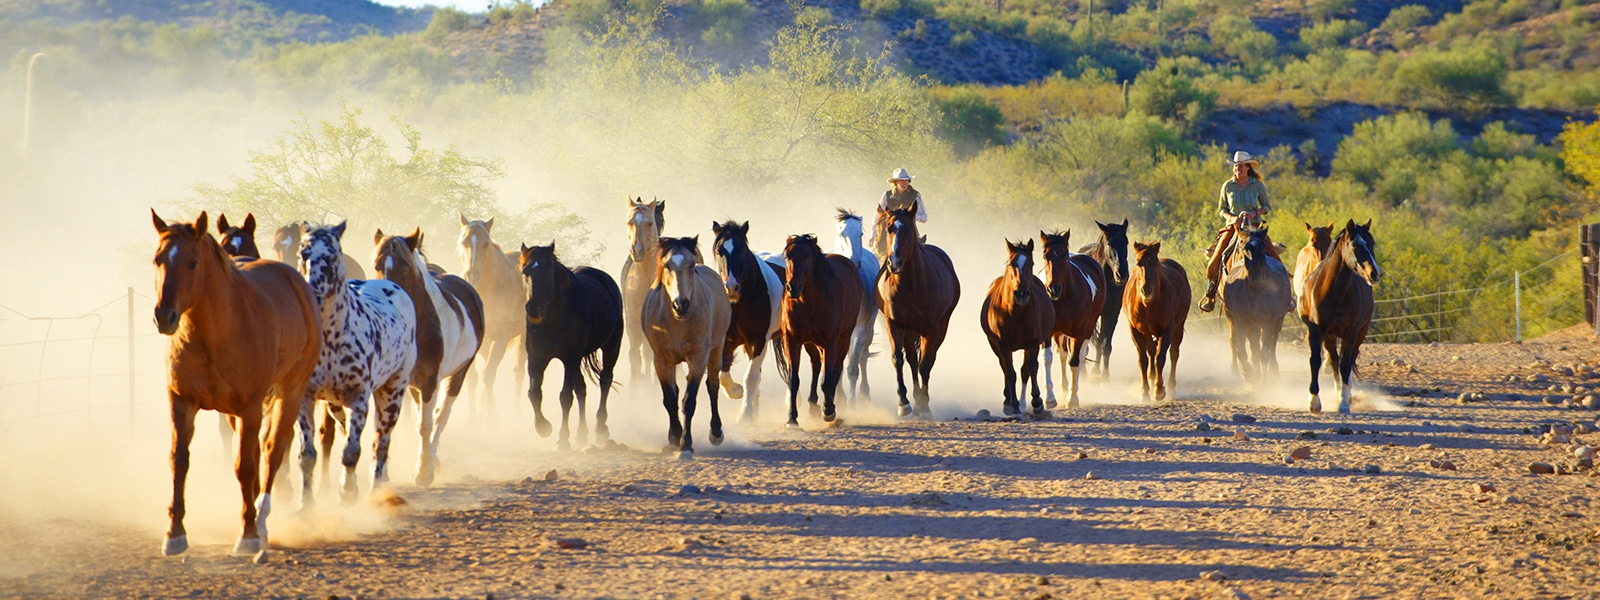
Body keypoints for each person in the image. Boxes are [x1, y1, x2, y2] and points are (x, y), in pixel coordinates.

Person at [1199, 150, 1280, 313]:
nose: (1238, 169)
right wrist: (1232, 217)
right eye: (1236, 166)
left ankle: (1284, 293)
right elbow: (1221, 209)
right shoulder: (1228, 186)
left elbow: (1266, 207)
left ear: (1248, 167)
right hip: (1233, 227)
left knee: (1273, 255)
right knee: (1217, 256)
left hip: (1254, 227)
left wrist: (1255, 213)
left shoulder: (1257, 185)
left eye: (1241, 166)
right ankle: (1210, 293)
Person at [869, 168, 927, 255]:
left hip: (909, 233)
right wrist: (873, 235)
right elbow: (877, 217)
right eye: (901, 180)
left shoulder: (915, 195)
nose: (904, 183)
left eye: (906, 180)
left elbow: (924, 217)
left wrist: (910, 215)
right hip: (889, 233)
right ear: (895, 182)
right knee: (875, 257)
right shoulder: (887, 196)